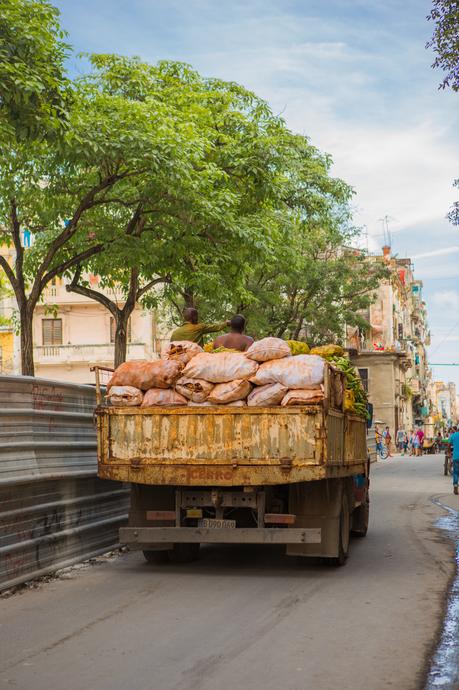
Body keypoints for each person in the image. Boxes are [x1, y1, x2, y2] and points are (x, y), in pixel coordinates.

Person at [447, 426, 459, 495]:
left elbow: (448, 445)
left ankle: (455, 488)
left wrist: (449, 452)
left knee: (456, 472)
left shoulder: (453, 435)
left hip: (456, 457)